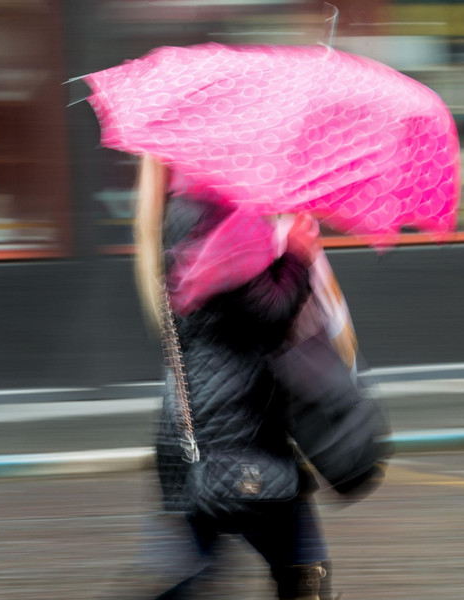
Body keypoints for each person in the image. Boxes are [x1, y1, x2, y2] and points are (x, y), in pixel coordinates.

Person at [133, 154, 339, 599]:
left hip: (193, 427)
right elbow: (267, 315)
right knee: (305, 571)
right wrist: (299, 255)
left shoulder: (176, 214)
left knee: (187, 570)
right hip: (239, 430)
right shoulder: (228, 223)